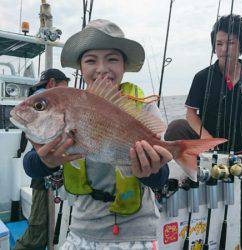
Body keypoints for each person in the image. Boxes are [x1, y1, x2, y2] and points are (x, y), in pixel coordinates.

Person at [23, 19, 172, 249]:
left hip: (136, 231)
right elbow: (31, 166)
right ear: (81, 68)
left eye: (112, 59)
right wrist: (45, 161)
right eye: (91, 60)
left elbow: (161, 176)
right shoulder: (65, 108)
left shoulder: (143, 108)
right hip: (82, 228)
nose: (101, 68)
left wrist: (148, 171)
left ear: (124, 65)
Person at [164, 14, 242, 249]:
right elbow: (191, 114)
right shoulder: (202, 77)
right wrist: (207, 139)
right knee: (174, 129)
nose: (223, 49)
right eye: (219, 43)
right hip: (213, 151)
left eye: (230, 43)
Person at [14, 69, 70, 250]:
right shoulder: (43, 102)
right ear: (52, 84)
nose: (66, 94)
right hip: (44, 177)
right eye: (64, 89)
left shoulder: (34, 102)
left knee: (42, 226)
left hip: (45, 172)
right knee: (37, 229)